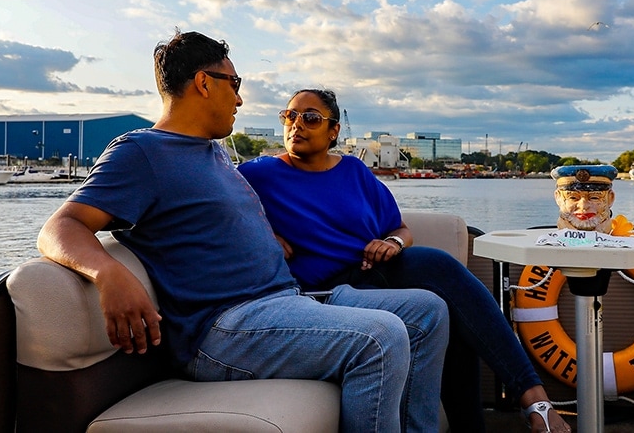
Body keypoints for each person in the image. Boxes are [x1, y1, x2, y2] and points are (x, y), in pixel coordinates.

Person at [36, 30, 449, 433]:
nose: (239, 97)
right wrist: (108, 274)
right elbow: (61, 226)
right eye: (233, 83)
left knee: (428, 313)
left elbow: (209, 217)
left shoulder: (212, 152)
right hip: (225, 329)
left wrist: (264, 233)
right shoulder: (141, 151)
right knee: (380, 338)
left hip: (286, 301)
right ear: (203, 83)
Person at [237, 88, 572, 433]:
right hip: (324, 292)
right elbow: (216, 204)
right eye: (289, 116)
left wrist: (393, 243)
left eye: (310, 118)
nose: (296, 125)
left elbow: (400, 228)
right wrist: (260, 233)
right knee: (439, 268)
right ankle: (534, 399)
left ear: (333, 130)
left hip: (375, 271)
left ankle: (501, 416)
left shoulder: (354, 171)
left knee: (454, 315)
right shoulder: (259, 173)